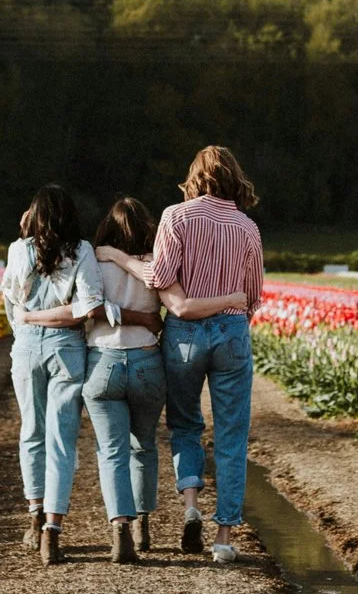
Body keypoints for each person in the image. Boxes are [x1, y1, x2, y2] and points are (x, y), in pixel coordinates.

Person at [41, 198, 245, 563]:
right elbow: (173, 308)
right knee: (144, 445)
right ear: (147, 229)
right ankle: (143, 524)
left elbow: (83, 308)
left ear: (107, 229)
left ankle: (120, 530)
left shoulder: (96, 261)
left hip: (103, 362)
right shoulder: (154, 264)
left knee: (112, 451)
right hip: (148, 363)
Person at [97, 146, 264, 564]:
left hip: (184, 334)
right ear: (234, 178)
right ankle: (224, 536)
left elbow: (158, 277)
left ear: (195, 177)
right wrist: (225, 305)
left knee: (186, 424)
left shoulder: (176, 215)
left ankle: (191, 506)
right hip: (230, 333)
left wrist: (116, 256)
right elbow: (253, 296)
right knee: (231, 435)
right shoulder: (248, 228)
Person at [1, 185, 104, 566]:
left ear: (33, 216)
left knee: (31, 431)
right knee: (62, 439)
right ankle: (52, 531)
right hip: (67, 348)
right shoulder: (82, 250)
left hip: (27, 346)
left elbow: (12, 302)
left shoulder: (18, 250)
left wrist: (29, 320)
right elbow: (88, 308)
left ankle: (33, 514)